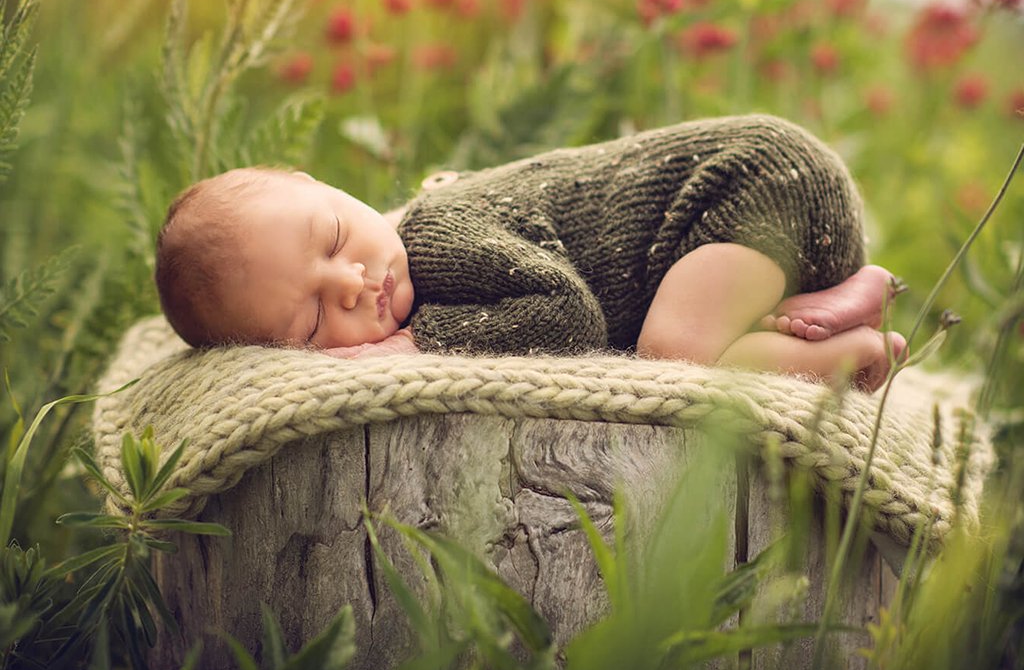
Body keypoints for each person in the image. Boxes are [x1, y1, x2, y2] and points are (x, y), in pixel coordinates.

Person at [154, 114, 906, 391]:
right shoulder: (399, 252)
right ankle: (828, 300)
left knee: (675, 351)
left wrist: (426, 346)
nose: (351, 284)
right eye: (314, 321)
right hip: (747, 226)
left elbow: (569, 317)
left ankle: (853, 352)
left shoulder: (442, 233)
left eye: (334, 240)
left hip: (753, 183)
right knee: (695, 323)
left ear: (339, 192)